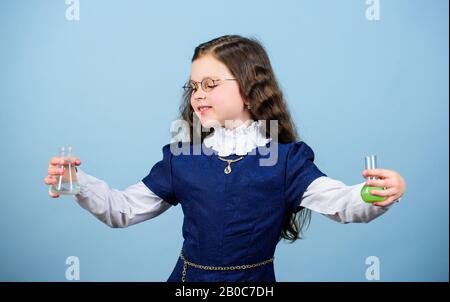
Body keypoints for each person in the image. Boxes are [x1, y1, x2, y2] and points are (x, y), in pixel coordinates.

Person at [43, 35, 406, 282]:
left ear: (249, 89)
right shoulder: (182, 157)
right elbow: (121, 210)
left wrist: (375, 193)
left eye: (211, 84)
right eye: (194, 86)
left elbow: (341, 203)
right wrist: (78, 184)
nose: (198, 94)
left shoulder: (285, 160)